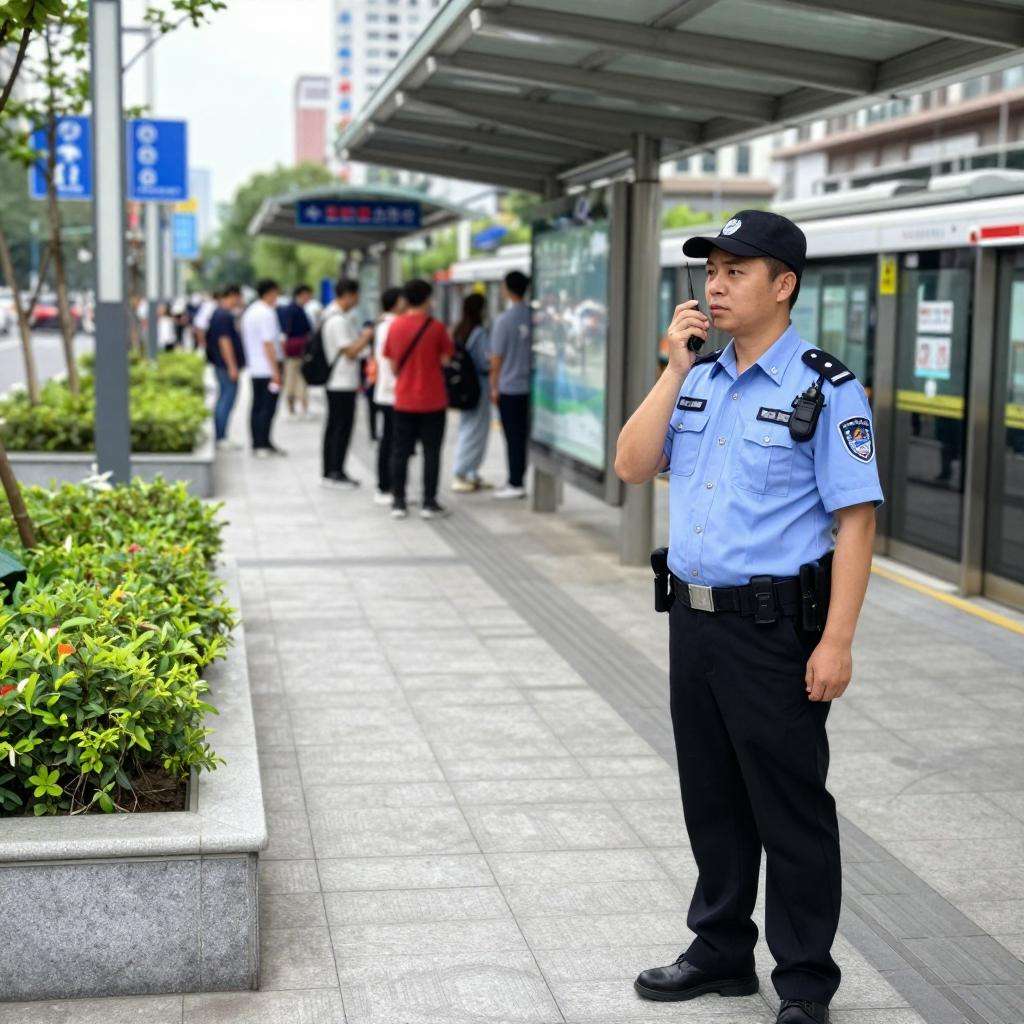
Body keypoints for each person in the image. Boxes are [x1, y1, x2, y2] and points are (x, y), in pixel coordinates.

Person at [615, 211, 883, 1024]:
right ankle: (722, 949)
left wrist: (837, 641)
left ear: (783, 284)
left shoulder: (827, 389)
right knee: (712, 797)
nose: (716, 285)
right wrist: (671, 367)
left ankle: (803, 980)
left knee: (790, 807)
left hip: (774, 632)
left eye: (736, 270)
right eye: (711, 271)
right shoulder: (697, 379)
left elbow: (857, 522)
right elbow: (632, 465)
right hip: (693, 623)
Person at [384, 278, 454, 520]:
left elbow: (393, 366)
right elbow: (446, 359)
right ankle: (428, 502)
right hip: (433, 400)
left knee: (400, 451)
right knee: (432, 452)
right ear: (427, 299)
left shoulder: (395, 326)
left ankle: (399, 501)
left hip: (404, 400)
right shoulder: (436, 328)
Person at [321, 278, 374, 488]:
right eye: (357, 295)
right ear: (349, 295)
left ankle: (332, 471)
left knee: (335, 427)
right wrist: (366, 337)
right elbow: (350, 351)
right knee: (340, 428)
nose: (358, 299)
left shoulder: (333, 315)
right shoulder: (337, 321)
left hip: (338, 382)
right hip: (340, 382)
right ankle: (335, 472)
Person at [490, 270, 532, 500]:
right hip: (530, 389)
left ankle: (515, 481)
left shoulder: (503, 320)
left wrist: (493, 386)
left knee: (512, 436)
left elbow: (496, 357)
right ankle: (518, 478)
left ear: (507, 289)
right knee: (522, 436)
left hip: (509, 388)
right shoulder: (533, 316)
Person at [451, 292, 492, 492]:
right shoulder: (479, 332)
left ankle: (471, 472)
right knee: (475, 431)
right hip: (479, 385)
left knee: (469, 428)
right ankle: (461, 471)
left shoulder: (461, 329)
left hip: (466, 386)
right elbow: (486, 360)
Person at [241, 279, 285, 458]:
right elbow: (268, 344)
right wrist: (275, 372)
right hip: (267, 369)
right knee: (267, 408)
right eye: (276, 293)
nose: (277, 297)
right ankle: (262, 444)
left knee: (257, 407)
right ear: (270, 293)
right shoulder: (266, 313)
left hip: (255, 368)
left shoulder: (251, 311)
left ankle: (260, 442)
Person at [371, 286, 405, 506]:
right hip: (393, 392)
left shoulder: (383, 324)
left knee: (389, 439)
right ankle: (386, 485)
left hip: (386, 390)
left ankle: (387, 484)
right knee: (392, 441)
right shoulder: (392, 325)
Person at [206, 286, 245, 449]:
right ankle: (221, 437)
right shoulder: (224, 316)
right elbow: (225, 342)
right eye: (239, 297)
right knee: (226, 399)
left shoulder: (218, 313)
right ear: (233, 296)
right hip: (225, 366)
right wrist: (232, 366)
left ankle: (222, 436)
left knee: (224, 398)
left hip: (220, 364)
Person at [278, 284, 313, 418]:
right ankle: (299, 406)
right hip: (297, 350)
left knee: (292, 379)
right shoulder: (296, 310)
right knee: (297, 379)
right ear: (302, 294)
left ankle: (294, 407)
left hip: (293, 350)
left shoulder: (291, 309)